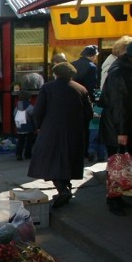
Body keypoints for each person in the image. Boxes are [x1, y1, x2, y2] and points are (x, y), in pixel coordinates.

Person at [27, 62, 93, 209]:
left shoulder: (47, 88)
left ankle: (63, 190)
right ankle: (66, 188)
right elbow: (89, 113)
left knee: (51, 161)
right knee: (69, 159)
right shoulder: (81, 89)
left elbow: (38, 111)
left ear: (55, 74)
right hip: (75, 131)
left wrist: (39, 127)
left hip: (51, 130)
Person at [99, 37, 132, 216]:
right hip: (118, 129)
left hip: (119, 127)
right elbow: (120, 104)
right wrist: (122, 131)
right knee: (118, 166)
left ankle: (118, 197)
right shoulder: (121, 72)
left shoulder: (124, 68)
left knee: (122, 166)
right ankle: (113, 200)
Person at [14, 90, 36, 161]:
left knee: (20, 141)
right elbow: (33, 115)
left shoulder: (17, 107)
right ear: (28, 98)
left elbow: (14, 115)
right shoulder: (30, 106)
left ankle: (18, 154)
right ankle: (27, 154)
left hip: (20, 127)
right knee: (29, 142)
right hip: (29, 127)